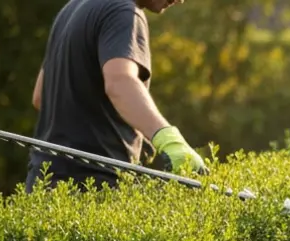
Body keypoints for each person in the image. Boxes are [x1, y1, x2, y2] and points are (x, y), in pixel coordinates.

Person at [26, 0, 207, 191]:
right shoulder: (123, 11)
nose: (180, 0)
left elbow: (40, 96)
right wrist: (168, 139)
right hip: (89, 187)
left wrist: (131, 133)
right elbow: (120, 82)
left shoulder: (73, 8)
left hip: (43, 182)